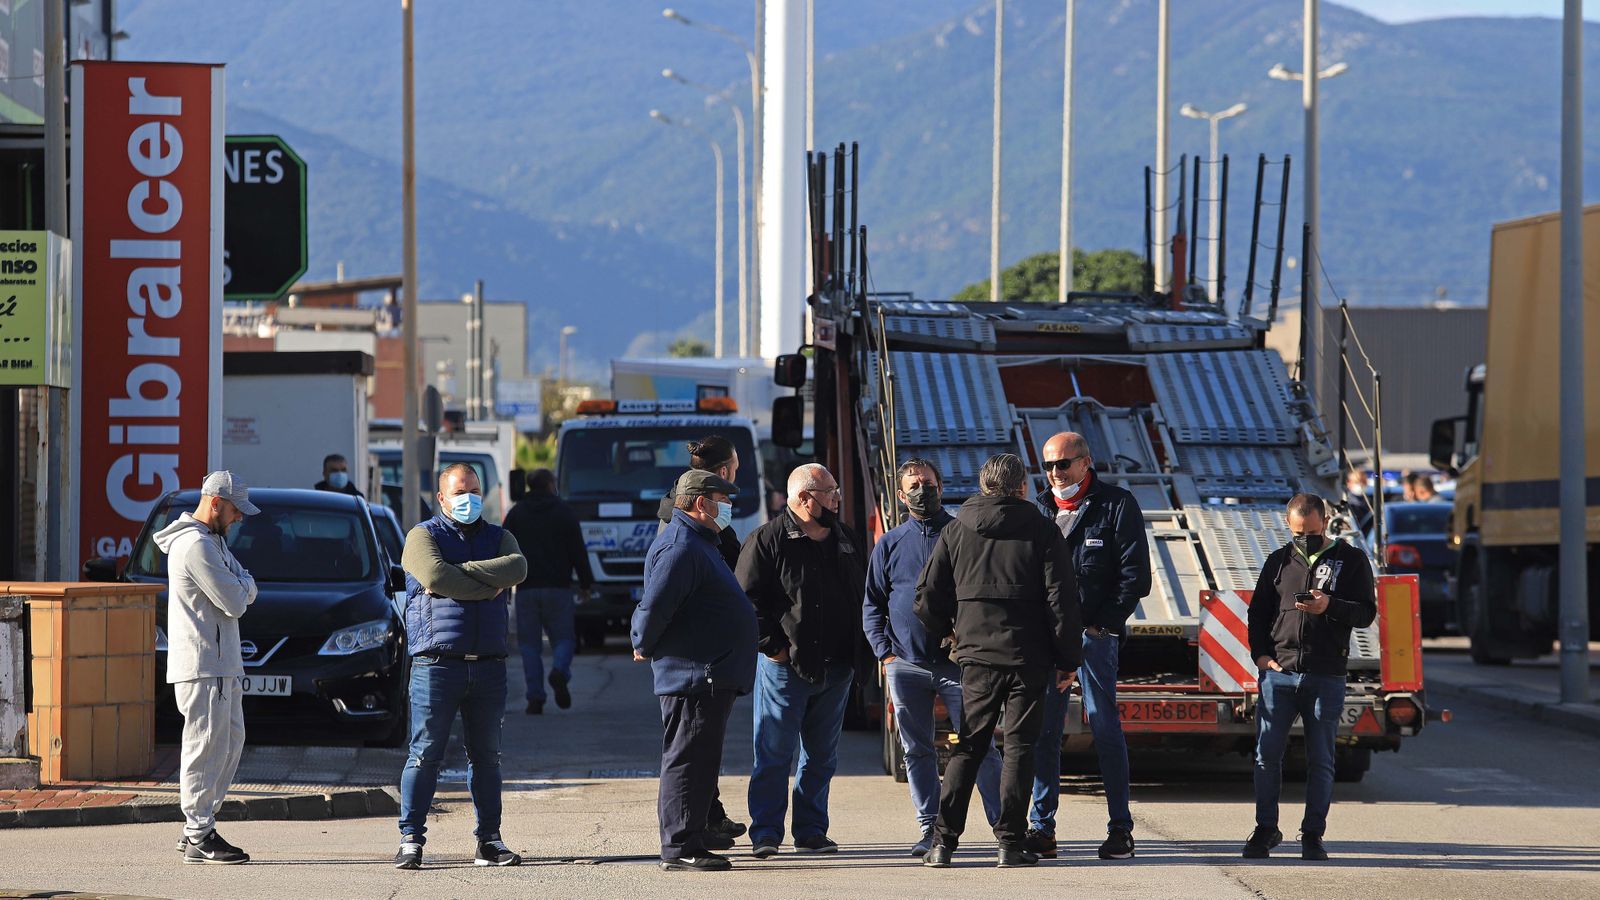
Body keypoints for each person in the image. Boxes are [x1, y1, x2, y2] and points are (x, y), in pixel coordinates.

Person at [914, 453, 1081, 869]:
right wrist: (1067, 659)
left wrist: (951, 633)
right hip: (1029, 657)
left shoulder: (955, 530)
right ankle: (1010, 843)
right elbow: (1061, 601)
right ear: (1021, 487)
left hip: (976, 658)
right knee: (1020, 748)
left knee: (969, 746)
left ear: (983, 486)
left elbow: (926, 598)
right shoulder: (1043, 530)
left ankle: (942, 844)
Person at [862, 458, 1001, 857]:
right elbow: (873, 603)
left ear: (941, 487)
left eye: (928, 483)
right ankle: (930, 828)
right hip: (905, 665)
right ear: (901, 495)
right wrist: (885, 654)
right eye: (914, 485)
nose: (922, 491)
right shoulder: (890, 544)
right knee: (916, 750)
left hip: (960, 666)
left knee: (980, 747)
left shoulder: (963, 534)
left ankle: (1004, 828)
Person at [394, 464, 528, 870]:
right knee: (425, 754)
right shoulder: (422, 536)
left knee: (487, 758)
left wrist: (460, 574)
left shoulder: (499, 536)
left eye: (473, 490)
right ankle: (411, 840)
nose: (468, 498)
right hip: (437, 664)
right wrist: (488, 583)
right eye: (459, 492)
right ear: (442, 497)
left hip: (488, 664)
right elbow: (435, 574)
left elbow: (518, 568)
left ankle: (489, 841)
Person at [1028, 431, 1151, 861]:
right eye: (1048, 465)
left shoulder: (1116, 505)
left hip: (1094, 638)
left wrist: (1102, 626)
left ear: (1085, 462)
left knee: (1104, 728)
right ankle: (1041, 829)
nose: (1055, 473)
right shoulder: (1039, 509)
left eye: (1063, 464)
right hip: (1047, 640)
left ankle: (1120, 830)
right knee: (1045, 732)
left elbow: (1135, 577)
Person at [632, 469, 759, 872]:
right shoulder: (681, 546)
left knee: (702, 761)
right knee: (687, 761)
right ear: (701, 503)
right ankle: (680, 846)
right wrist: (641, 641)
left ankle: (695, 833)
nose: (729, 507)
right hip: (693, 676)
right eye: (723, 500)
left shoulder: (701, 542)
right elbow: (655, 605)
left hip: (710, 674)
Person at [737, 463, 865, 858]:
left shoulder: (845, 538)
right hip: (785, 669)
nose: (837, 499)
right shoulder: (767, 540)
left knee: (821, 757)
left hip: (837, 668)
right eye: (830, 492)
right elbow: (746, 603)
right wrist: (774, 648)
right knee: (774, 754)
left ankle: (810, 831)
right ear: (804, 498)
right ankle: (766, 833)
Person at [1244, 493, 1376, 862]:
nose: (1305, 539)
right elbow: (1258, 612)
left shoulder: (1351, 559)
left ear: (1326, 522)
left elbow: (1366, 613)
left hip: (1325, 674)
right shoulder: (1278, 561)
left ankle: (1313, 834)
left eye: (1312, 533)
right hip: (1279, 674)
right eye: (1298, 533)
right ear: (1288, 526)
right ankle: (1265, 829)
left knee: (1321, 760)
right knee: (1266, 756)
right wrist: (1261, 656)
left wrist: (1328, 605)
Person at [153, 471, 260, 865]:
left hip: (218, 662)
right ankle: (199, 832)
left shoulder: (212, 541)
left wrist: (243, 586)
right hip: (203, 663)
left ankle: (198, 826)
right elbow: (236, 600)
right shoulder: (196, 546)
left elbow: (246, 584)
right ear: (215, 503)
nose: (239, 518)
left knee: (229, 741)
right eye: (235, 510)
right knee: (205, 745)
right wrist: (243, 587)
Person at [653, 435, 749, 845]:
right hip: (695, 662)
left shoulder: (695, 519)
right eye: (734, 472)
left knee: (700, 748)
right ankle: (685, 837)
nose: (727, 504)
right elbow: (660, 598)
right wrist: (643, 639)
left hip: (709, 658)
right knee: (689, 752)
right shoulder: (687, 533)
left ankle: (704, 820)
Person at [502, 468, 594, 715]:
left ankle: (535, 698)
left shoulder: (517, 513)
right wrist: (586, 583)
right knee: (564, 639)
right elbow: (578, 550)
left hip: (526, 589)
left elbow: (503, 551)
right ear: (550, 485)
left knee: (529, 646)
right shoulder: (564, 512)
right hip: (558, 589)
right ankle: (560, 671)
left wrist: (503, 586)